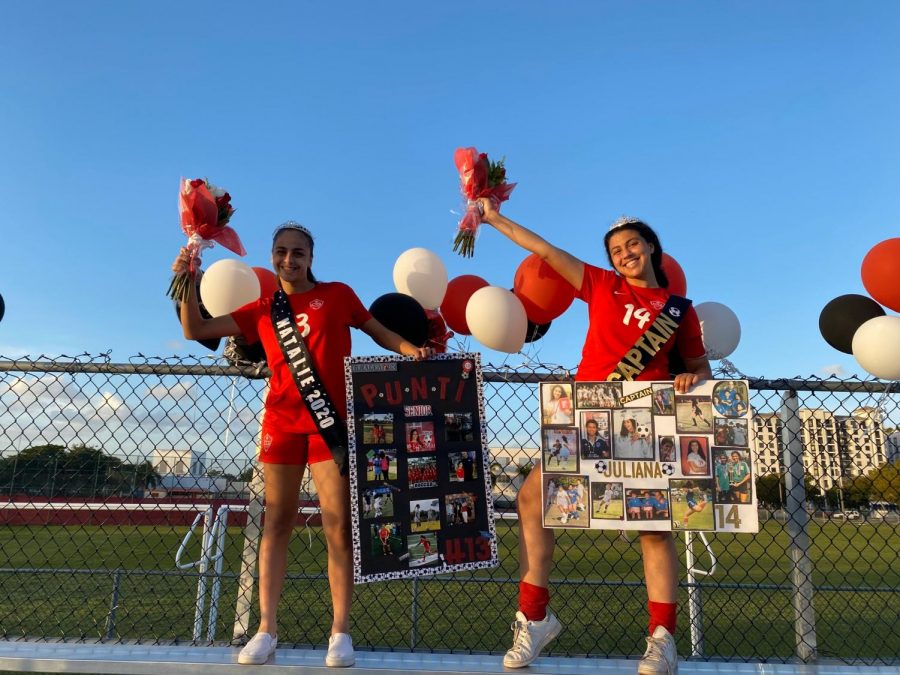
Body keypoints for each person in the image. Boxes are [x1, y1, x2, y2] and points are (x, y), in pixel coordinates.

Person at [173, 221, 432, 667]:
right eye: (281, 251)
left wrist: (410, 349)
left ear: (312, 258)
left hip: (329, 427)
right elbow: (194, 330)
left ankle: (340, 632)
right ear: (272, 255)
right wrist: (187, 276)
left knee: (338, 527)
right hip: (281, 423)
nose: (288, 259)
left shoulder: (338, 295)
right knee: (276, 524)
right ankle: (266, 630)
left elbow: (377, 331)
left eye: (297, 252)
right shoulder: (261, 307)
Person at [478, 202, 711, 675]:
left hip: (645, 422)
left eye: (632, 244)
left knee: (654, 528)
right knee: (532, 499)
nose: (625, 253)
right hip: (587, 417)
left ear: (650, 247)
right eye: (616, 249)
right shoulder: (600, 285)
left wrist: (691, 378)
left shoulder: (679, 311)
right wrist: (494, 218)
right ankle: (535, 617)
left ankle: (662, 640)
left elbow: (699, 366)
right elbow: (543, 248)